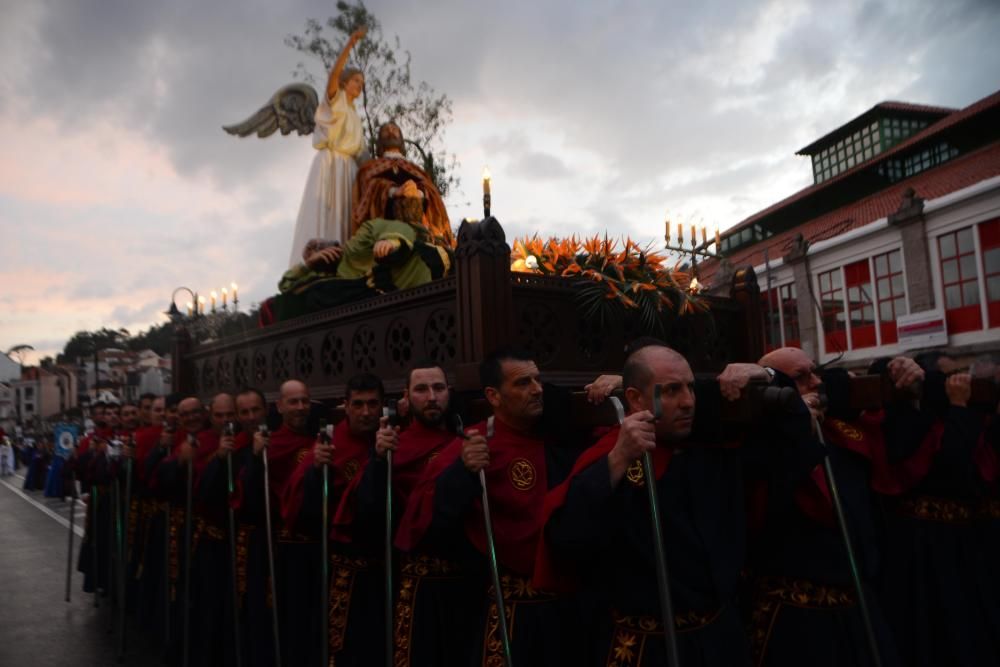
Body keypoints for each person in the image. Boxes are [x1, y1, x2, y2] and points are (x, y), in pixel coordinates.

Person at [537, 341, 808, 666]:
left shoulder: (715, 449)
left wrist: (767, 374)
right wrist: (617, 461)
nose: (688, 402)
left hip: (720, 640)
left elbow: (795, 445)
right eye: (672, 390)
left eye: (691, 388)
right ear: (635, 399)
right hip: (644, 647)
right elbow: (567, 539)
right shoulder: (611, 457)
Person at [396, 347, 586, 666]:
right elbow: (427, 520)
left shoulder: (559, 432)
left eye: (538, 380)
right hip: (504, 603)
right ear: (494, 396)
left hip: (566, 604)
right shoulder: (473, 443)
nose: (536, 389)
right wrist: (463, 472)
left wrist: (612, 384)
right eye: (523, 383)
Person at [336, 361, 480, 666]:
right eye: (421, 389)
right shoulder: (394, 446)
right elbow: (367, 513)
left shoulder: (468, 442)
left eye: (438, 388)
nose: (431, 397)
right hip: (417, 585)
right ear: (406, 397)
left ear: (449, 393)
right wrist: (378, 462)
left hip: (468, 583)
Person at [281, 373, 382, 666]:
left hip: (386, 563)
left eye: (372, 404)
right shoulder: (330, 442)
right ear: (346, 406)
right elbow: (298, 502)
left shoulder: (390, 438)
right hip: (342, 567)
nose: (366, 412)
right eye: (358, 404)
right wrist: (315, 472)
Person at [287, 27, 368, 267]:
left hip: (350, 170)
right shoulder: (336, 100)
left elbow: (363, 154)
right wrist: (350, 44)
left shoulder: (355, 115)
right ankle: (318, 261)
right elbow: (334, 75)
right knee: (326, 213)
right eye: (356, 80)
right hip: (331, 164)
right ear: (344, 82)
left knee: (345, 220)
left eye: (362, 83)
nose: (360, 86)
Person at [351, 121, 453, 246]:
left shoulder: (416, 170)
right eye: (385, 130)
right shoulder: (369, 168)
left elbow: (432, 194)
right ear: (379, 141)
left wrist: (418, 192)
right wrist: (392, 191)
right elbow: (365, 192)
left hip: (418, 235)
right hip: (382, 236)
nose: (390, 131)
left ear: (401, 138)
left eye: (394, 129)